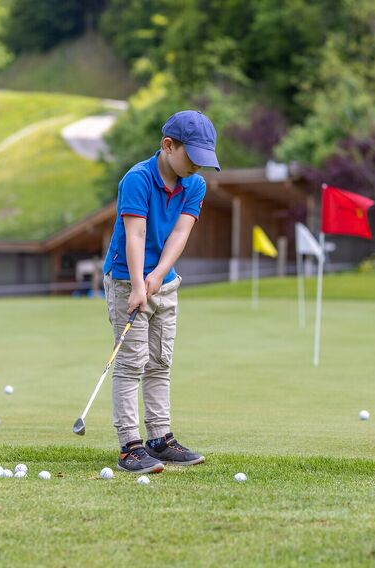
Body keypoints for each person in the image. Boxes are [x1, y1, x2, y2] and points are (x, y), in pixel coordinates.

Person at [101, 110, 220, 474]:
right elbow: (135, 234)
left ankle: (159, 438)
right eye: (193, 158)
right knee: (131, 362)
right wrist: (139, 284)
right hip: (126, 280)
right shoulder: (137, 179)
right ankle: (129, 446)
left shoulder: (194, 185)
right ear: (168, 146)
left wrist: (158, 276)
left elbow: (179, 234)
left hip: (164, 283)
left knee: (160, 361)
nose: (197, 168)